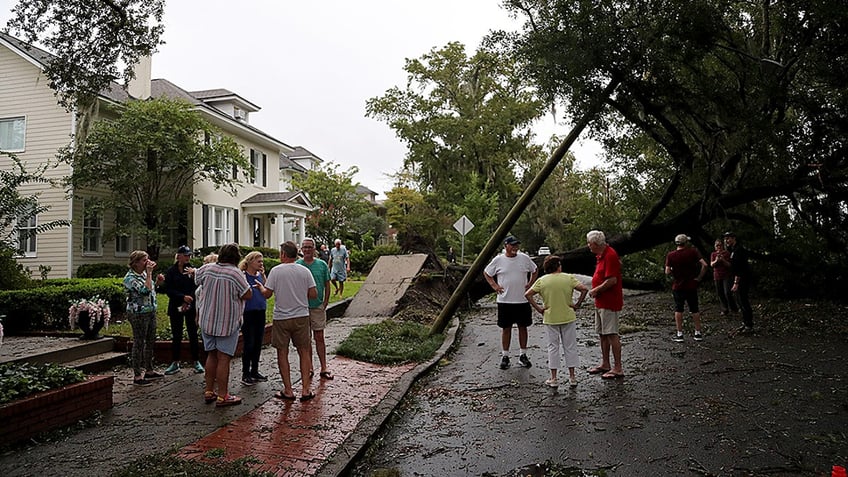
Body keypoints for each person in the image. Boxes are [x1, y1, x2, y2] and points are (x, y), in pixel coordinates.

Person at [194, 243, 252, 407]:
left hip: (207, 319)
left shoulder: (208, 268)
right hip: (227, 322)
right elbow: (247, 294)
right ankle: (223, 395)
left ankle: (209, 390)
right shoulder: (236, 273)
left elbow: (196, 279)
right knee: (224, 358)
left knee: (211, 355)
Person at [261, 241, 318, 401]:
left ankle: (288, 389)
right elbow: (313, 294)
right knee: (304, 351)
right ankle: (306, 389)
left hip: (282, 317)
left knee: (282, 352)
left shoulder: (276, 271)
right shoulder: (304, 271)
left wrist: (260, 288)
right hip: (301, 315)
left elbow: (267, 294)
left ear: (284, 254)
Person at [525, 255, 589, 388]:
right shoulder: (568, 278)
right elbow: (584, 289)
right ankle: (572, 377)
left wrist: (539, 308)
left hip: (550, 316)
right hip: (567, 315)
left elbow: (528, 294)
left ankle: (553, 378)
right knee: (570, 346)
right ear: (558, 265)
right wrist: (577, 304)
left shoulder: (542, 281)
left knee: (553, 347)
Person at [483, 235, 538, 370]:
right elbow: (487, 272)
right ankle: (505, 355)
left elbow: (535, 270)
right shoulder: (499, 260)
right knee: (506, 328)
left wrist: (530, 283)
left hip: (522, 299)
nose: (515, 248)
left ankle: (523, 355)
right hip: (505, 300)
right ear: (506, 246)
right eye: (512, 245)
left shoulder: (524, 258)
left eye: (516, 245)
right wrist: (494, 286)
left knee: (523, 327)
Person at [586, 230, 625, 379]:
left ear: (595, 244)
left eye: (589, 244)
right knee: (602, 333)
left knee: (611, 333)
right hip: (600, 301)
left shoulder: (610, 255)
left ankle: (618, 367)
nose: (588, 246)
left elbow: (612, 280)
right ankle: (605, 363)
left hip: (609, 301)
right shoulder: (600, 255)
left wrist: (596, 289)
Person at [123, 250, 165, 386]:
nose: (147, 262)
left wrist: (157, 282)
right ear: (135, 263)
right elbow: (144, 291)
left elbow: (151, 290)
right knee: (139, 342)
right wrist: (150, 274)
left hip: (150, 311)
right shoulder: (130, 278)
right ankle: (137, 374)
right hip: (138, 313)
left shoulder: (145, 274)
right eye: (144, 260)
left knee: (150, 340)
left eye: (148, 259)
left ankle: (149, 369)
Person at [162, 246, 203, 375]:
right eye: (185, 255)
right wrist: (182, 297)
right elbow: (168, 289)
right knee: (177, 335)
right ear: (178, 256)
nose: (187, 258)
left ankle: (196, 361)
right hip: (175, 306)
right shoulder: (171, 272)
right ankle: (175, 361)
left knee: (192, 334)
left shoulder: (192, 270)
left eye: (189, 255)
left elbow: (197, 285)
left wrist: (189, 298)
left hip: (191, 305)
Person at [297, 238, 334, 380]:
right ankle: (310, 366)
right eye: (304, 247)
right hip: (302, 307)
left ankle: (324, 366)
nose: (307, 250)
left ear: (314, 249)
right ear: (301, 249)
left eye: (309, 247)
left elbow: (327, 284)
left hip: (317, 306)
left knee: (319, 337)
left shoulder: (322, 265)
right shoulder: (297, 265)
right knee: (306, 340)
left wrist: (325, 302)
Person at [665, 234, 707, 342]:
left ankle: (680, 334)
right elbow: (705, 265)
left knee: (678, 309)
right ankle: (697, 333)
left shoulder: (671, 255)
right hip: (691, 285)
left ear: (676, 243)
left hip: (678, 285)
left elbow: (667, 271)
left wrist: (674, 271)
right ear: (686, 243)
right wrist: (699, 277)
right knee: (694, 308)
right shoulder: (693, 252)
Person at [238, 251, 269, 385]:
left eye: (262, 261)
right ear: (250, 262)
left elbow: (268, 290)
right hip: (248, 312)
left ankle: (255, 370)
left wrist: (263, 275)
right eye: (258, 261)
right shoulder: (243, 276)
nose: (261, 264)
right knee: (249, 342)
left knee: (258, 342)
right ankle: (246, 372)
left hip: (260, 311)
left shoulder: (260, 276)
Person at [724, 231, 754, 334]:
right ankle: (745, 322)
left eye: (728, 238)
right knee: (740, 301)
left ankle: (749, 325)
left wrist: (736, 282)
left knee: (743, 301)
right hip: (738, 277)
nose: (726, 240)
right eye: (725, 238)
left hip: (742, 279)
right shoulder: (732, 250)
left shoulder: (739, 250)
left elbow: (739, 268)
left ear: (734, 238)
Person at [710, 238, 736, 316]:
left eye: (720, 245)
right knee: (720, 293)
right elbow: (711, 264)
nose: (719, 247)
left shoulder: (727, 253)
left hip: (726, 276)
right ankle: (725, 309)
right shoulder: (713, 254)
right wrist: (717, 260)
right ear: (715, 246)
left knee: (727, 292)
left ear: (723, 246)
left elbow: (730, 265)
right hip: (717, 276)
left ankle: (734, 308)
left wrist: (723, 260)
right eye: (717, 245)